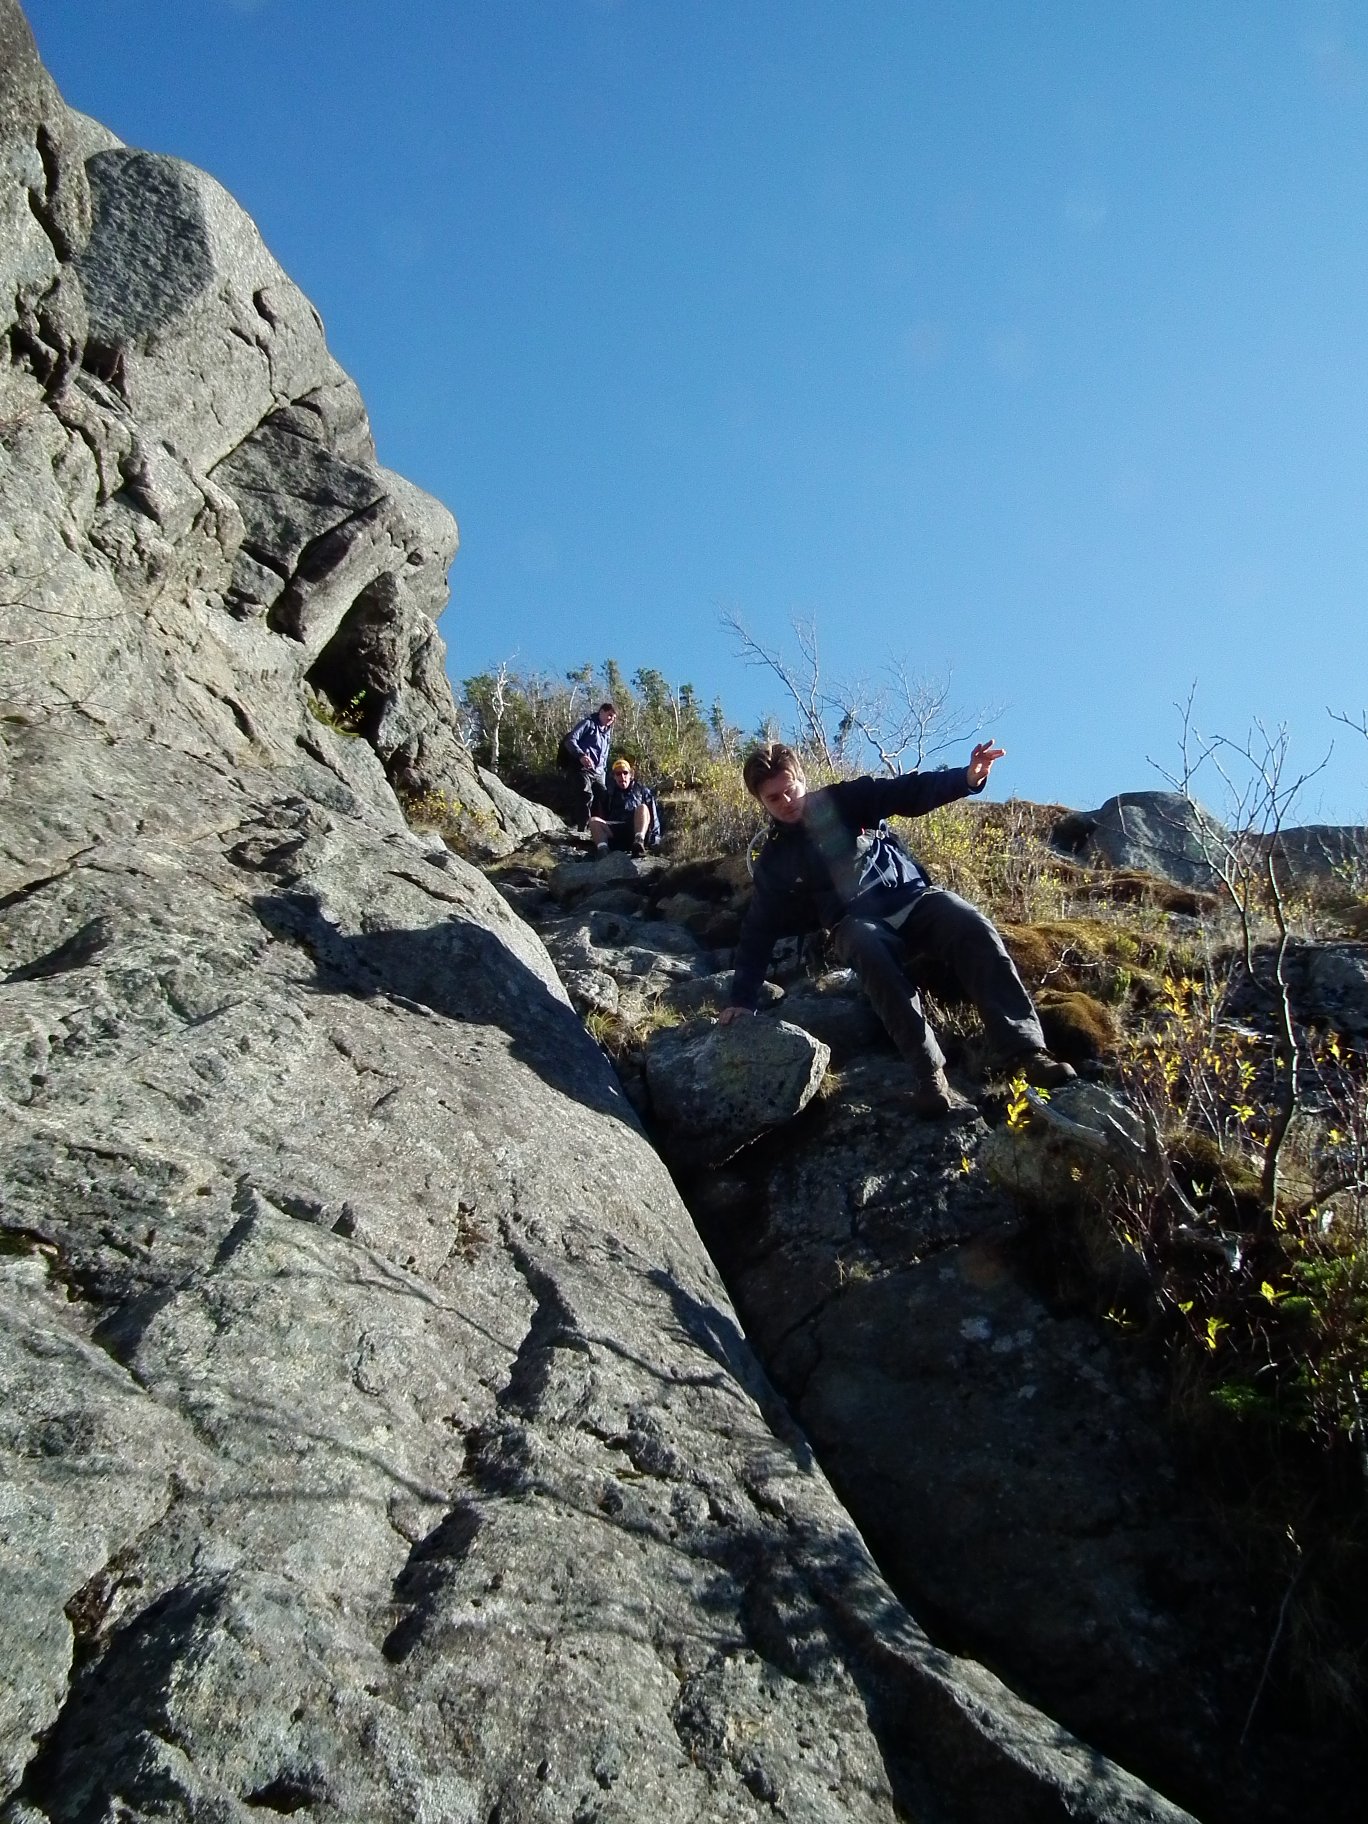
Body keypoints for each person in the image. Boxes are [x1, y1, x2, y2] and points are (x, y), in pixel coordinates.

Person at [717, 740, 1076, 1118]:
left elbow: (908, 791)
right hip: (855, 921)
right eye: (774, 798)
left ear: (802, 779)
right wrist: (742, 999)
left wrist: (966, 779)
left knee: (969, 922)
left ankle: (1027, 1054)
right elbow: (758, 931)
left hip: (911, 898)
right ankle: (930, 1076)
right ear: (761, 802)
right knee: (866, 947)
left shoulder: (845, 800)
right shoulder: (774, 860)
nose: (786, 802)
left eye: (790, 789)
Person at [589, 756, 661, 859]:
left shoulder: (643, 791)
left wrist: (655, 840)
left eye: (625, 773)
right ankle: (603, 851)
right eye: (618, 774)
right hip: (616, 830)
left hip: (636, 829)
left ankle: (638, 844)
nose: (622, 776)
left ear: (631, 774)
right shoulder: (608, 793)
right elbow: (601, 817)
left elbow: (653, 816)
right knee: (593, 821)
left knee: (642, 808)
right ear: (614, 776)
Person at [560, 702, 616, 829]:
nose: (611, 719)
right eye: (609, 715)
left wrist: (604, 771)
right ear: (601, 712)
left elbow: (604, 755)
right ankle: (582, 829)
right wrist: (581, 756)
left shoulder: (607, 732)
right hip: (582, 768)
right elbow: (570, 740)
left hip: (599, 772)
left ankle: (601, 829)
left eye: (613, 717)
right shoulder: (588, 723)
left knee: (604, 797)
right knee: (585, 796)